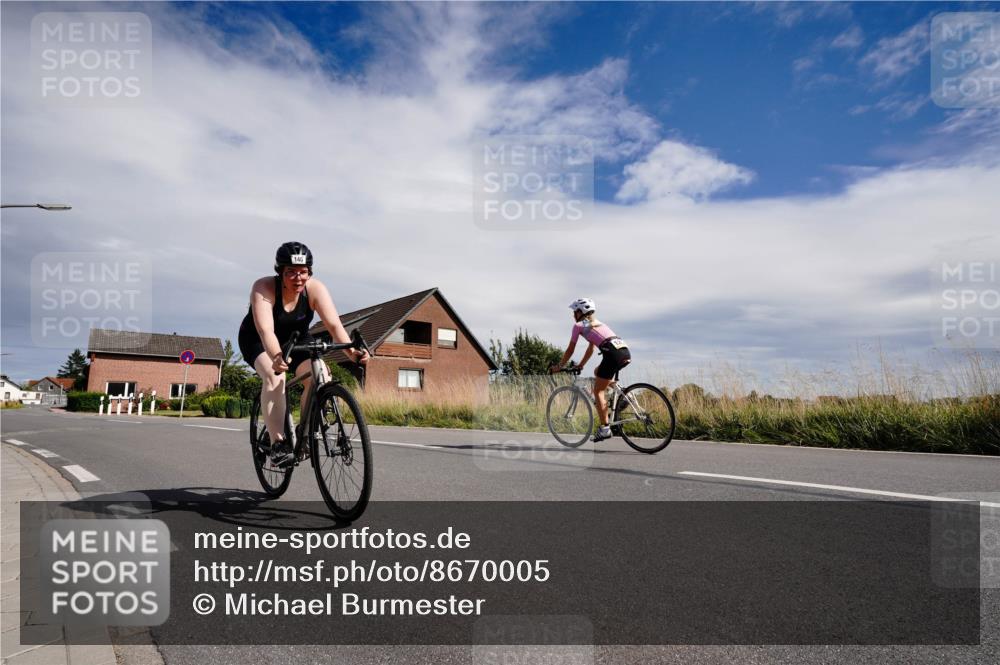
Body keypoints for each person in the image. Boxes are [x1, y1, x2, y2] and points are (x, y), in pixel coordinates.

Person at [238, 242, 368, 467]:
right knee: (274, 376)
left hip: (296, 339)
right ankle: (278, 443)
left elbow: (335, 327)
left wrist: (353, 353)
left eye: (303, 272)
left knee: (321, 376)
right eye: (291, 272)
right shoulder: (264, 288)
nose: (298, 278)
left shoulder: (315, 289)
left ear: (310, 272)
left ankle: (305, 431)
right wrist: (277, 356)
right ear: (280, 273)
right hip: (258, 339)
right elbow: (265, 330)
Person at [550, 298, 631, 442]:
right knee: (597, 372)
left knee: (598, 391)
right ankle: (623, 394)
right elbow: (591, 348)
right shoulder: (597, 324)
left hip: (611, 353)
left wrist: (559, 367)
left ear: (581, 312)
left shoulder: (579, 326)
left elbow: (570, 350)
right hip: (624, 351)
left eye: (575, 311)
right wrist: (581, 364)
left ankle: (605, 428)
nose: (573, 315)